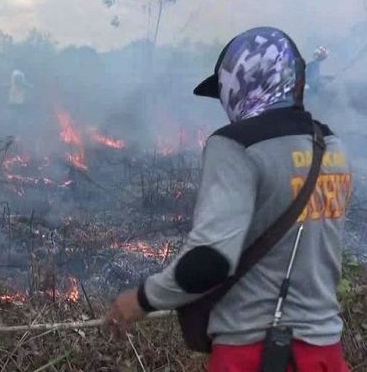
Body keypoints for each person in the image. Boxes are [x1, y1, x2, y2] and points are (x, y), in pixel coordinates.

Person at [104, 27, 352, 371]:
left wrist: (143, 299)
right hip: (325, 351)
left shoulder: (235, 145)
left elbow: (210, 260)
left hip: (255, 354)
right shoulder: (331, 145)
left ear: (242, 83)